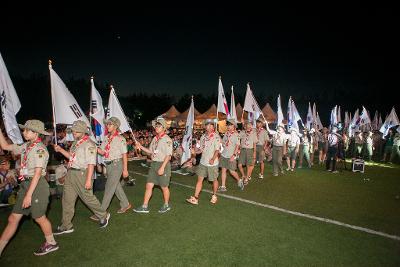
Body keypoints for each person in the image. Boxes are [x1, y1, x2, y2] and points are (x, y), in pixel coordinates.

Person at [0, 120, 59, 256]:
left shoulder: (40, 149)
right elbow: (4, 145)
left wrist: (28, 195)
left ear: (36, 133)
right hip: (26, 185)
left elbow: (38, 174)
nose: (24, 132)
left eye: (27, 130)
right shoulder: (26, 146)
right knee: (13, 219)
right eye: (24, 130)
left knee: (39, 217)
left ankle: (51, 243)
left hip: (37, 186)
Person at [53, 120, 110, 235]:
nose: (73, 132)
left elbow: (91, 164)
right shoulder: (75, 143)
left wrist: (89, 179)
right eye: (73, 130)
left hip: (82, 174)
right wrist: (61, 150)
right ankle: (66, 225)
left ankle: (103, 215)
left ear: (83, 132)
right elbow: (72, 158)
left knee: (87, 198)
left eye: (76, 131)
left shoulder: (89, 144)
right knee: (67, 200)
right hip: (71, 173)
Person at [90, 117, 131, 221]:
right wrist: (93, 147)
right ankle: (125, 204)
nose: (107, 126)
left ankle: (101, 212)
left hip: (117, 165)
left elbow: (124, 155)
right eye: (107, 124)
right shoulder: (106, 138)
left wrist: (125, 170)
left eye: (110, 124)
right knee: (115, 186)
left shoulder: (120, 139)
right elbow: (103, 152)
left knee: (109, 187)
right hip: (108, 165)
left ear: (116, 126)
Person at [134, 117, 173, 213]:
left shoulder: (167, 139)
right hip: (154, 164)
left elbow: (168, 156)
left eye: (159, 126)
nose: (156, 127)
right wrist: (141, 146)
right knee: (149, 185)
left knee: (164, 187)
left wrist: (162, 167)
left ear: (163, 128)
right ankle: (144, 206)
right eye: (156, 126)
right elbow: (151, 152)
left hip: (163, 164)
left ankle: (167, 204)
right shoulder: (155, 138)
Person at [186, 119, 221, 205]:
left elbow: (217, 150)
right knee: (199, 180)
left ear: (213, 127)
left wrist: (213, 158)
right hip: (203, 162)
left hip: (212, 163)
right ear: (205, 126)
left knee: (214, 180)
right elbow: (201, 150)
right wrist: (194, 152)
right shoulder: (202, 137)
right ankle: (195, 197)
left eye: (211, 125)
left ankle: (214, 195)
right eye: (207, 125)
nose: (209, 127)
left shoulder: (216, 137)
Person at [218, 119, 244, 192]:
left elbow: (237, 146)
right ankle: (223, 186)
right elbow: (223, 143)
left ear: (234, 126)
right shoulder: (226, 133)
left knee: (232, 171)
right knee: (223, 170)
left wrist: (234, 155)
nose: (228, 126)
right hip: (224, 154)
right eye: (228, 125)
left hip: (231, 155)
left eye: (230, 125)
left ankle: (239, 180)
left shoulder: (236, 135)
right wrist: (219, 138)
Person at [238, 121, 258, 185]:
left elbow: (254, 143)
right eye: (247, 126)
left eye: (250, 126)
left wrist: (254, 152)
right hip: (243, 150)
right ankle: (243, 175)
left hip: (250, 150)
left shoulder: (253, 133)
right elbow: (238, 138)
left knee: (248, 165)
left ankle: (246, 178)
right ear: (245, 126)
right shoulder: (242, 132)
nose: (249, 127)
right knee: (239, 165)